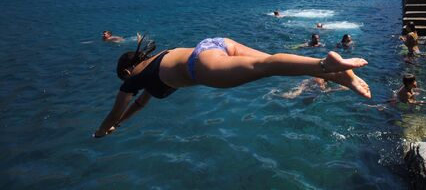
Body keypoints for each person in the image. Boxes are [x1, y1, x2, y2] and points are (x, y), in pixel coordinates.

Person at [94, 36, 371, 138]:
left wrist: (102, 130)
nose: (126, 83)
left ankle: (326, 64)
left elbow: (114, 112)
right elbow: (140, 103)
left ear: (127, 71)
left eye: (124, 78)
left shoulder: (132, 79)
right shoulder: (154, 65)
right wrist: (121, 124)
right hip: (215, 43)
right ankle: (340, 74)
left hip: (200, 65)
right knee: (268, 61)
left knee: (266, 68)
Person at [281, 77, 348, 98]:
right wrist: (338, 89)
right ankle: (296, 93)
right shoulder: (322, 81)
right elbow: (323, 90)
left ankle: (296, 92)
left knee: (301, 88)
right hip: (317, 85)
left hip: (310, 80)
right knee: (322, 91)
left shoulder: (318, 76)